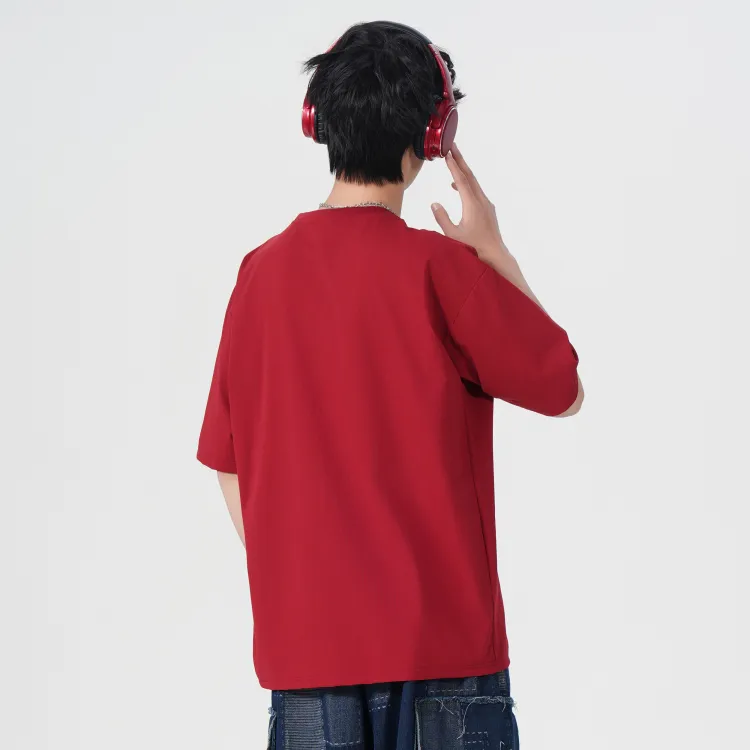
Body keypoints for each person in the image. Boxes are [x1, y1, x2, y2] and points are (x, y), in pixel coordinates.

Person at [197, 20, 583, 750]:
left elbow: (229, 465)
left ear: (318, 119)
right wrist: (495, 253)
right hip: (443, 655)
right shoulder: (441, 270)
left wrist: (308, 587)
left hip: (307, 659)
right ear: (432, 136)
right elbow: (562, 386)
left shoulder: (259, 276)